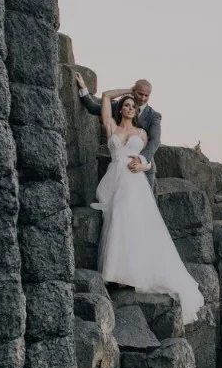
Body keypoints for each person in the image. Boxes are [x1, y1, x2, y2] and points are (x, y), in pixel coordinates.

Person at [80, 82, 204, 323]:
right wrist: (124, 91)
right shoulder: (112, 125)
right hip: (115, 179)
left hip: (135, 178)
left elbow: (153, 146)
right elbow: (103, 98)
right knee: (117, 221)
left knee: (135, 222)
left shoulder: (144, 130)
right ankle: (117, 272)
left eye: (133, 105)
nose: (130, 106)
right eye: (128, 104)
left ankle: (134, 272)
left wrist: (143, 163)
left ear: (136, 111)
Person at [74, 73, 161, 192]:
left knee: (146, 205)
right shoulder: (121, 106)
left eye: (147, 95)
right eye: (140, 93)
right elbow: (94, 108)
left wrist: (141, 160)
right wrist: (83, 88)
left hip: (144, 167)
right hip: (120, 169)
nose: (143, 98)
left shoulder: (154, 116)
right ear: (134, 90)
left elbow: (155, 141)